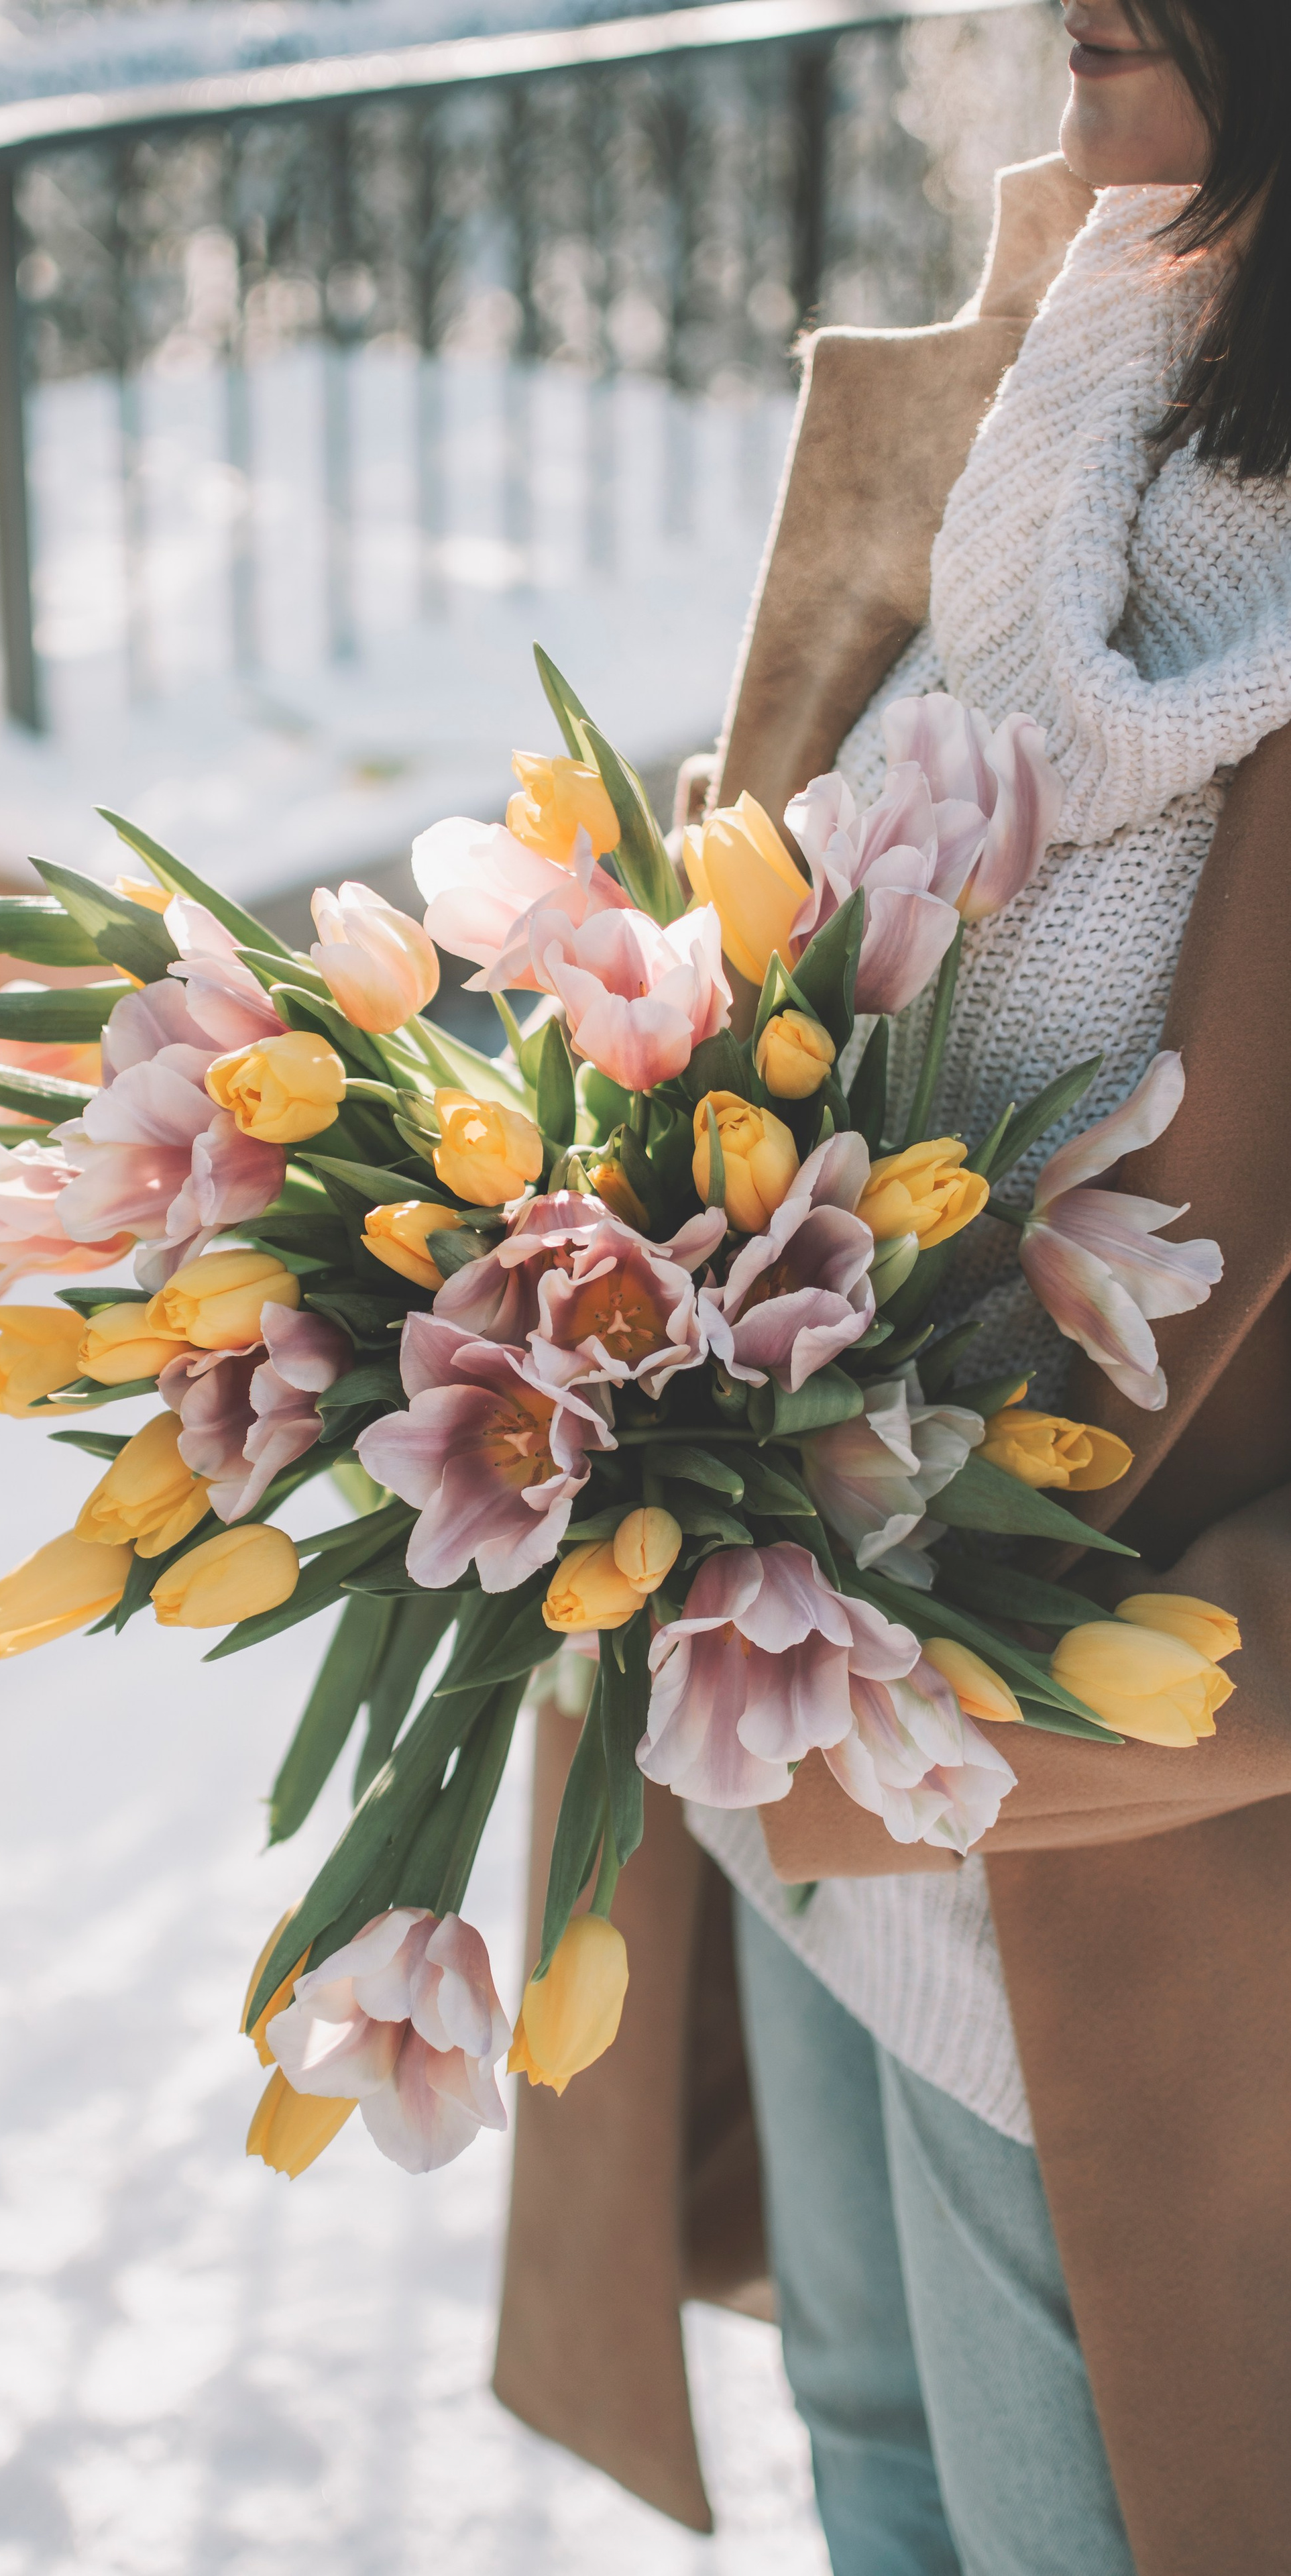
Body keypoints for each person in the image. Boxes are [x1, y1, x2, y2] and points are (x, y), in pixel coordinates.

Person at [495, 7, 1291, 2573]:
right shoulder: (1091, 368)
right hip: (793, 1827)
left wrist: (973, 1726)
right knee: (869, 2472)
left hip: (1111, 1912)